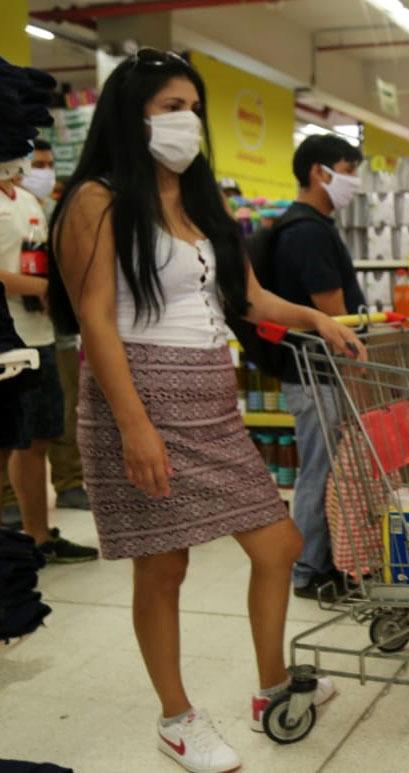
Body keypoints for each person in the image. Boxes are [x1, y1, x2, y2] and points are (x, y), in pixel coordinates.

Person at [48, 49, 364, 773]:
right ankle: (176, 716)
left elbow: (247, 298)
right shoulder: (95, 200)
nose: (187, 120)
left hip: (210, 396)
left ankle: (271, 687)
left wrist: (318, 322)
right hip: (140, 394)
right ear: (133, 116)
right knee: (164, 568)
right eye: (171, 107)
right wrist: (134, 426)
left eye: (193, 106)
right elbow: (95, 320)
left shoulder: (199, 203)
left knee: (278, 544)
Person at [266, 134, 367, 602]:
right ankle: (308, 569)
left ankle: (322, 559)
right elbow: (334, 313)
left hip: (315, 371)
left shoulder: (311, 225)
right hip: (315, 371)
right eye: (347, 168)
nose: (354, 179)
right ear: (318, 173)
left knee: (323, 465)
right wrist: (356, 357)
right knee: (319, 469)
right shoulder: (307, 231)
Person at [0, 132, 96, 561]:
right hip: (8, 337)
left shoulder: (25, 200)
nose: (36, 167)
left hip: (40, 334)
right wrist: (44, 286)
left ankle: (38, 536)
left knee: (37, 439)